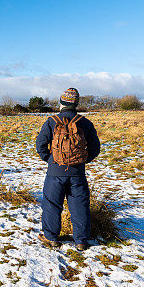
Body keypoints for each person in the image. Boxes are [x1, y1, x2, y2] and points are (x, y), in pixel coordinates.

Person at [35, 88, 101, 251]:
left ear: (61, 102)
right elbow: (95, 148)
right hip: (77, 173)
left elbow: (40, 145)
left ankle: (51, 238)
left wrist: (51, 160)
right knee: (79, 206)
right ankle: (80, 241)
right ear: (76, 104)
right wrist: (82, 161)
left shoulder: (51, 121)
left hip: (55, 172)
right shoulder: (84, 122)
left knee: (51, 204)